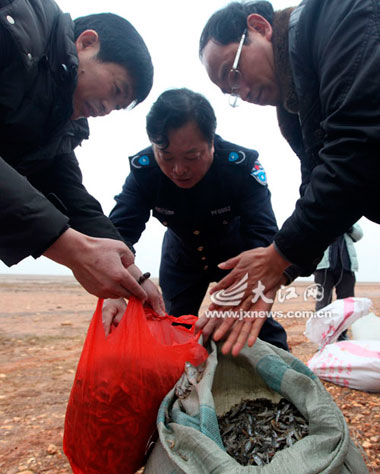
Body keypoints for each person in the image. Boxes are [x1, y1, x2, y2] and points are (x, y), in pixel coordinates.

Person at [197, 0, 380, 355]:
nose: (242, 93)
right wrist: (280, 268)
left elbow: (357, 149)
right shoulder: (298, 108)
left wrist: (279, 255)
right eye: (230, 93)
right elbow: (318, 182)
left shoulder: (342, 17)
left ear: (259, 27)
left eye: (233, 74)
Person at [102, 88, 288, 350]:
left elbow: (263, 232)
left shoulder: (240, 167)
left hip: (237, 260)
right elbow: (119, 233)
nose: (178, 170)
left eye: (192, 157)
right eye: (166, 157)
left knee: (257, 324)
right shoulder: (145, 172)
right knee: (176, 329)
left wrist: (254, 285)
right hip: (182, 259)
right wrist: (114, 291)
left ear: (211, 142)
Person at [0, 0, 160, 305]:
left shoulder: (57, 122)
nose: (106, 110)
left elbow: (69, 194)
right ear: (86, 42)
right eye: (115, 90)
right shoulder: (14, 25)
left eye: (117, 107)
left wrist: (130, 274)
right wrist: (72, 249)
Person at [314, 223, 363, 340]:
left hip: (346, 267)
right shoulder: (320, 215)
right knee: (323, 304)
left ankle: (342, 335)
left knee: (347, 304)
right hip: (323, 267)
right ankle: (324, 337)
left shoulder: (350, 216)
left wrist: (349, 224)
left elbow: (359, 235)